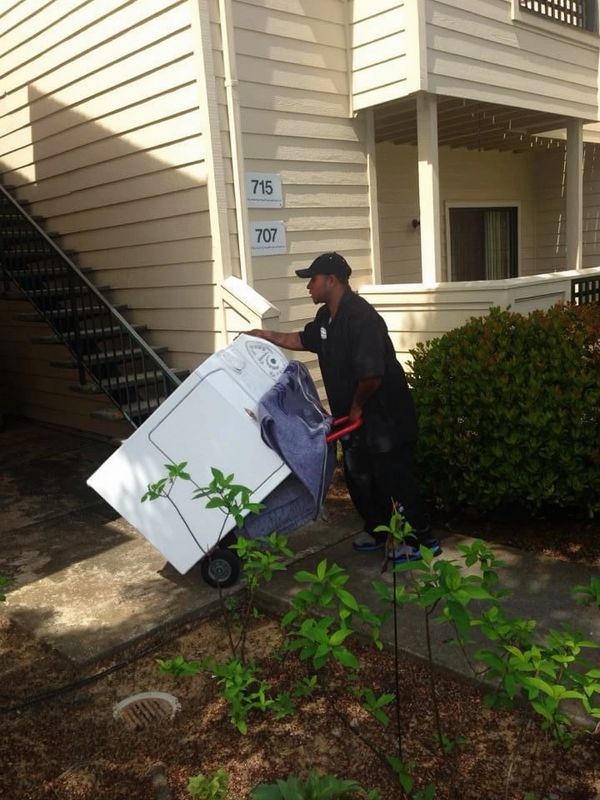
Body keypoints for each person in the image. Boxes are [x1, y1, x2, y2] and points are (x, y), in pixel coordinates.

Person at [249, 251, 441, 562]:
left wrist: (355, 409)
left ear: (331, 280)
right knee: (359, 477)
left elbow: (371, 376)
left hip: (384, 418)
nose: (308, 286)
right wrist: (266, 335)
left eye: (312, 279)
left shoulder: (362, 318)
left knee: (394, 479)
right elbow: (302, 339)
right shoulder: (326, 318)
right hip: (354, 419)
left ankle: (421, 540)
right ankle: (379, 531)